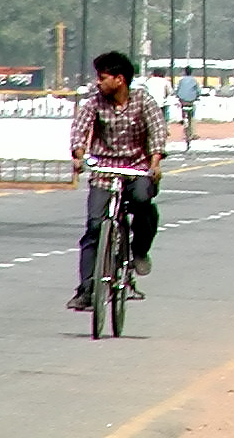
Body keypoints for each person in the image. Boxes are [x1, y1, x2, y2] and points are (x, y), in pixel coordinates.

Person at [67, 51, 168, 311]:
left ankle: (139, 250)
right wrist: (79, 156)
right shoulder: (94, 103)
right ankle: (87, 290)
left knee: (143, 202)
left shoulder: (143, 101)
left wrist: (155, 163)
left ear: (119, 79)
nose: (98, 83)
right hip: (104, 168)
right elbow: (80, 129)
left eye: (103, 78)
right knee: (94, 226)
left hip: (137, 168)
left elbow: (157, 130)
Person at [174, 66, 202, 150]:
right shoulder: (194, 80)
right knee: (192, 117)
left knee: (183, 112)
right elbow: (198, 91)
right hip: (191, 101)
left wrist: (179, 97)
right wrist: (197, 96)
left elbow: (177, 91)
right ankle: (193, 133)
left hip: (183, 101)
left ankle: (183, 120)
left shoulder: (181, 80)